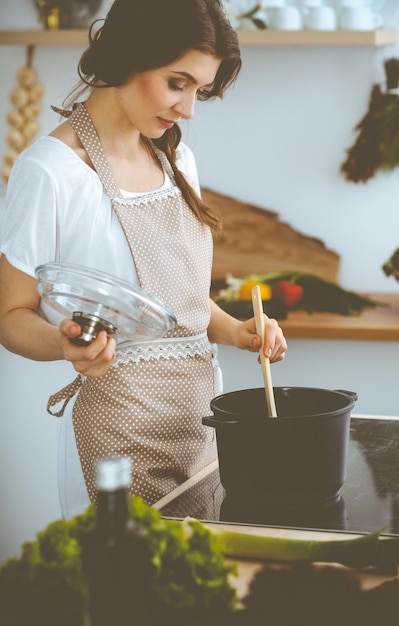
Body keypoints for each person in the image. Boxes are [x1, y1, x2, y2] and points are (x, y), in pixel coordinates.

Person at [0, 0, 287, 520]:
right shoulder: (50, 171)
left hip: (198, 428)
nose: (189, 109)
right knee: (126, 589)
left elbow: (183, 304)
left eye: (200, 91)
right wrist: (67, 344)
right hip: (114, 436)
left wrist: (236, 329)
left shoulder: (175, 158)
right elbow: (10, 316)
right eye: (177, 84)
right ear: (129, 56)